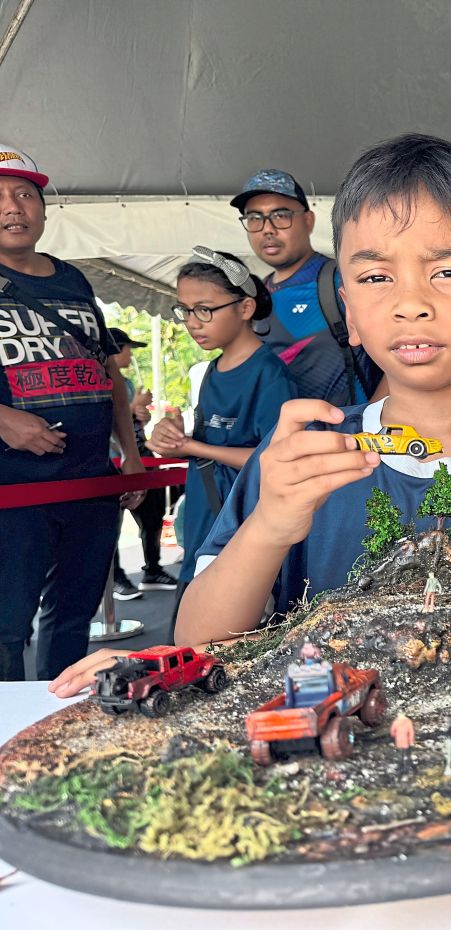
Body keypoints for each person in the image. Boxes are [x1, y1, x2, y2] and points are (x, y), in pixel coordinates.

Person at [46, 132, 451, 698]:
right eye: (376, 277)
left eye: (447, 271)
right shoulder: (299, 446)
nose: (409, 301)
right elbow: (199, 636)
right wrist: (272, 522)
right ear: (349, 312)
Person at [0, 145, 146, 681]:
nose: (13, 207)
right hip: (14, 492)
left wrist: (129, 457)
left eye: (23, 194)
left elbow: (108, 375)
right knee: (7, 627)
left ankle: (57, 724)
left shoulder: (73, 281)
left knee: (72, 620)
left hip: (87, 483)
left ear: (42, 208)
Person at [144, 247, 298, 599]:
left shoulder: (268, 373)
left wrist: (191, 446)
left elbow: (277, 457)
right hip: (204, 526)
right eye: (184, 310)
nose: (192, 322)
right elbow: (206, 445)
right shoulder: (213, 370)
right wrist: (170, 437)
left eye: (204, 309)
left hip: (242, 530)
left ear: (245, 308)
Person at [232, 168, 382, 405]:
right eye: (254, 218)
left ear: (308, 221)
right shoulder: (254, 297)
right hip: (280, 438)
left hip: (346, 436)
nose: (267, 229)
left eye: (280, 215)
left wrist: (374, 426)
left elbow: (397, 360)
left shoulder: (341, 280)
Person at [107, 326, 180, 599]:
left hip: (139, 458)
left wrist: (139, 413)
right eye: (128, 349)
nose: (130, 355)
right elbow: (108, 418)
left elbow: (127, 421)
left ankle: (152, 568)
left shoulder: (124, 383)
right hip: (112, 461)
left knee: (152, 516)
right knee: (110, 524)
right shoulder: (100, 380)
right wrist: (132, 405)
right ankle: (116, 577)